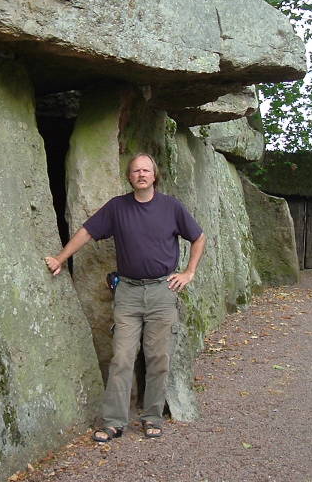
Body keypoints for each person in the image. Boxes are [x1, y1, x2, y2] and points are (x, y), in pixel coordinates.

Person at [44, 153, 206, 442]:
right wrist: (60, 258)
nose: (141, 174)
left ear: (154, 175)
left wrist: (189, 272)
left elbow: (198, 236)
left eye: (146, 170)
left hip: (162, 291)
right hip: (128, 293)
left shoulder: (171, 207)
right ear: (129, 177)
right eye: (135, 171)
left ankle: (152, 417)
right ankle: (114, 421)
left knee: (158, 357)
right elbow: (86, 233)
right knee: (121, 358)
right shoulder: (117, 208)